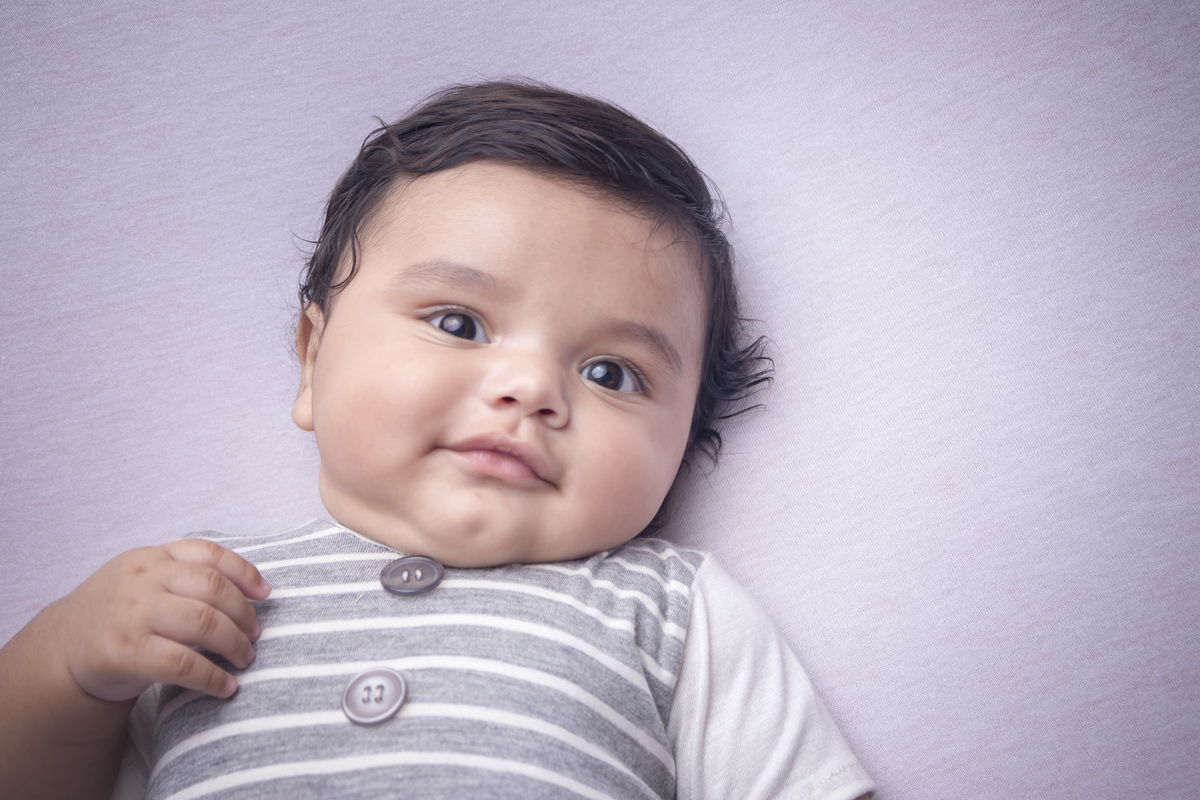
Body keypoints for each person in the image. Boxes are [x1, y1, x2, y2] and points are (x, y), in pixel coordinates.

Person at [0, 81, 875, 800]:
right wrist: (66, 666)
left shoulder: (671, 611)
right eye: (458, 323)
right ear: (313, 361)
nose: (529, 389)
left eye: (611, 373)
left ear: (682, 444)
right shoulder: (201, 596)